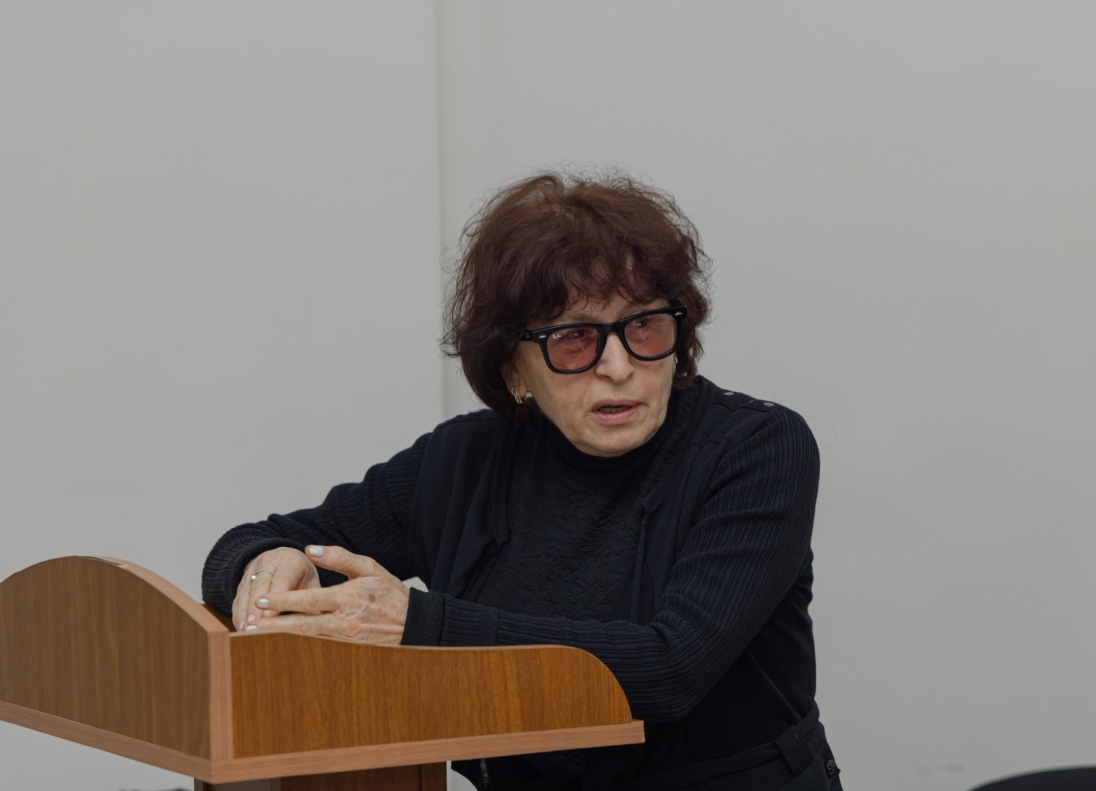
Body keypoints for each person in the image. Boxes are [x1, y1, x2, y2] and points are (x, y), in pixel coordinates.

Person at [200, 169, 842, 790]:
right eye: (574, 338)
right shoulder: (464, 460)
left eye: (643, 325)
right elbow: (254, 542)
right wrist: (265, 567)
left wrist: (419, 625)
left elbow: (671, 669)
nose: (618, 366)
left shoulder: (758, 448)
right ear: (512, 366)